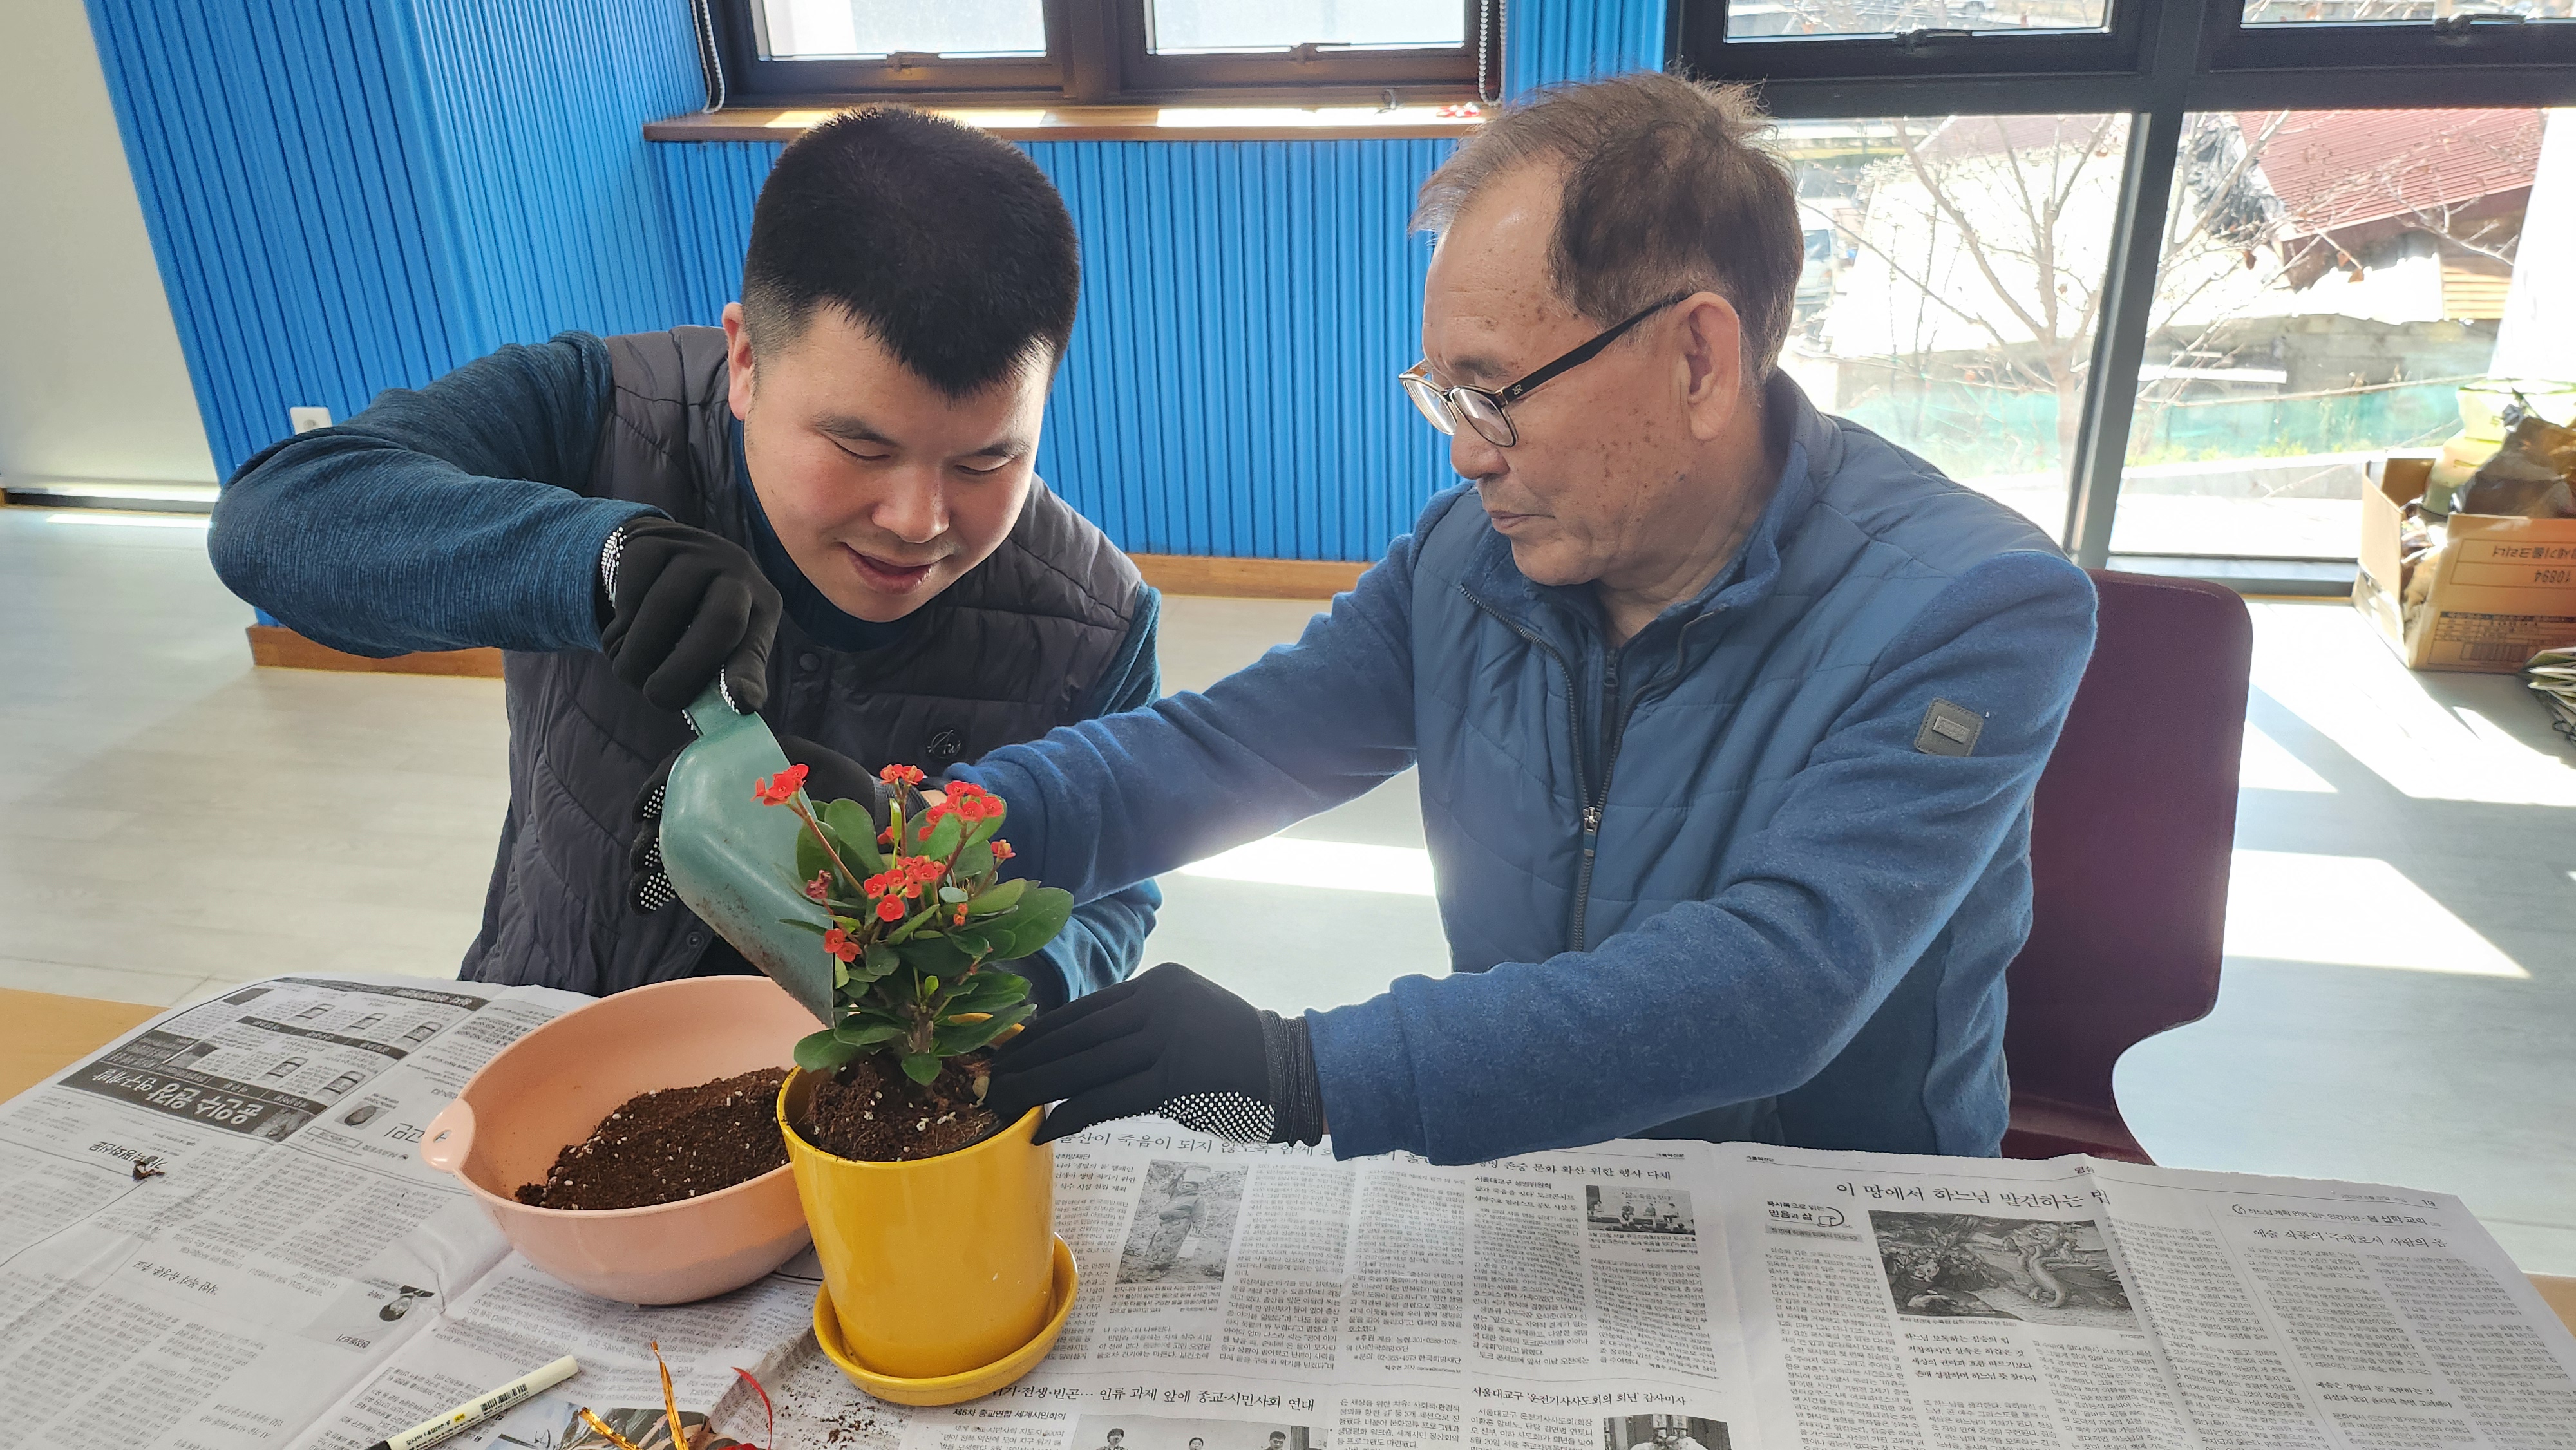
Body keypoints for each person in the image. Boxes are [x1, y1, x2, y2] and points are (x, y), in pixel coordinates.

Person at [966, 71, 2098, 1165]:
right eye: (1442, 394)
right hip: (1536, 1156)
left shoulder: (1973, 606)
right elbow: (1232, 748)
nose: (1466, 450)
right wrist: (936, 831)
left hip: (1831, 1207)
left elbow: (1782, 979)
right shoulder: (1468, 557)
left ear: (1699, 358)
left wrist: (1307, 1071)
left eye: (1495, 392)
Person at [209, 108, 1160, 1005]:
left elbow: (1113, 904)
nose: (918, 521)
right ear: (744, 358)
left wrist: (929, 912)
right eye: (862, 448)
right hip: (563, 1023)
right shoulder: (598, 413)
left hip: (871, 1101)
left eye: (990, 458)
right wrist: (589, 560)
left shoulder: (1099, 625)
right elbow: (275, 521)